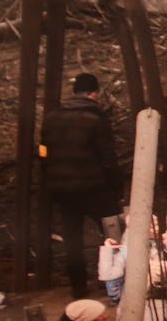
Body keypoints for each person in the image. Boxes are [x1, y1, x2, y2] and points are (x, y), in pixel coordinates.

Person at [40, 73, 123, 299]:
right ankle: (117, 280)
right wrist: (117, 186)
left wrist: (51, 180)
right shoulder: (96, 119)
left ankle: (78, 286)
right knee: (112, 232)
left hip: (64, 190)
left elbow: (43, 152)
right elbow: (108, 157)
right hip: (95, 187)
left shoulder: (51, 117)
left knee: (72, 237)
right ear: (94, 93)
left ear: (75, 91)